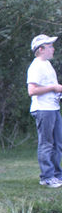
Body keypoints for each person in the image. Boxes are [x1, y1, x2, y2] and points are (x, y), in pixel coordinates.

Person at [27, 34, 62, 188]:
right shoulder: (36, 66)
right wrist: (54, 88)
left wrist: (57, 92)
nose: (53, 49)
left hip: (53, 108)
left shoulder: (47, 65)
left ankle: (57, 175)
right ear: (40, 49)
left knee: (57, 144)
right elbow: (32, 90)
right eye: (49, 46)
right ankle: (46, 177)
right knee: (46, 144)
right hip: (43, 110)